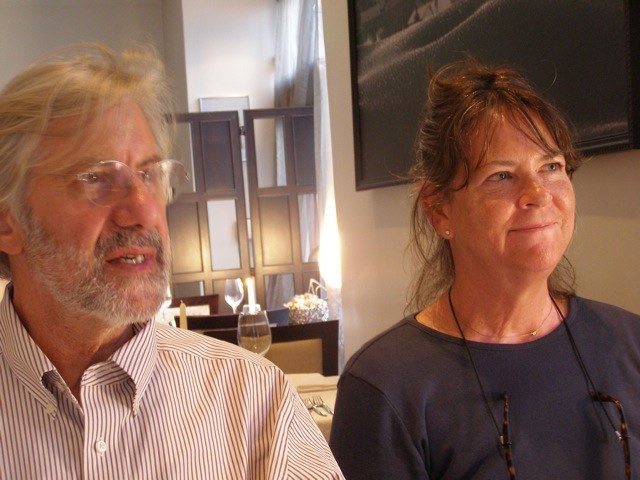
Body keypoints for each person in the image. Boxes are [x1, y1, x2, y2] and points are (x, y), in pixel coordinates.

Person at [0, 43, 343, 479]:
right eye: (95, 179)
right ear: (7, 221)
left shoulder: (255, 403)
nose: (145, 211)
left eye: (149, 175)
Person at [329, 59, 640, 479]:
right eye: (501, 175)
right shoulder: (384, 386)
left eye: (551, 167)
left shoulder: (629, 342)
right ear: (439, 210)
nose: (537, 194)